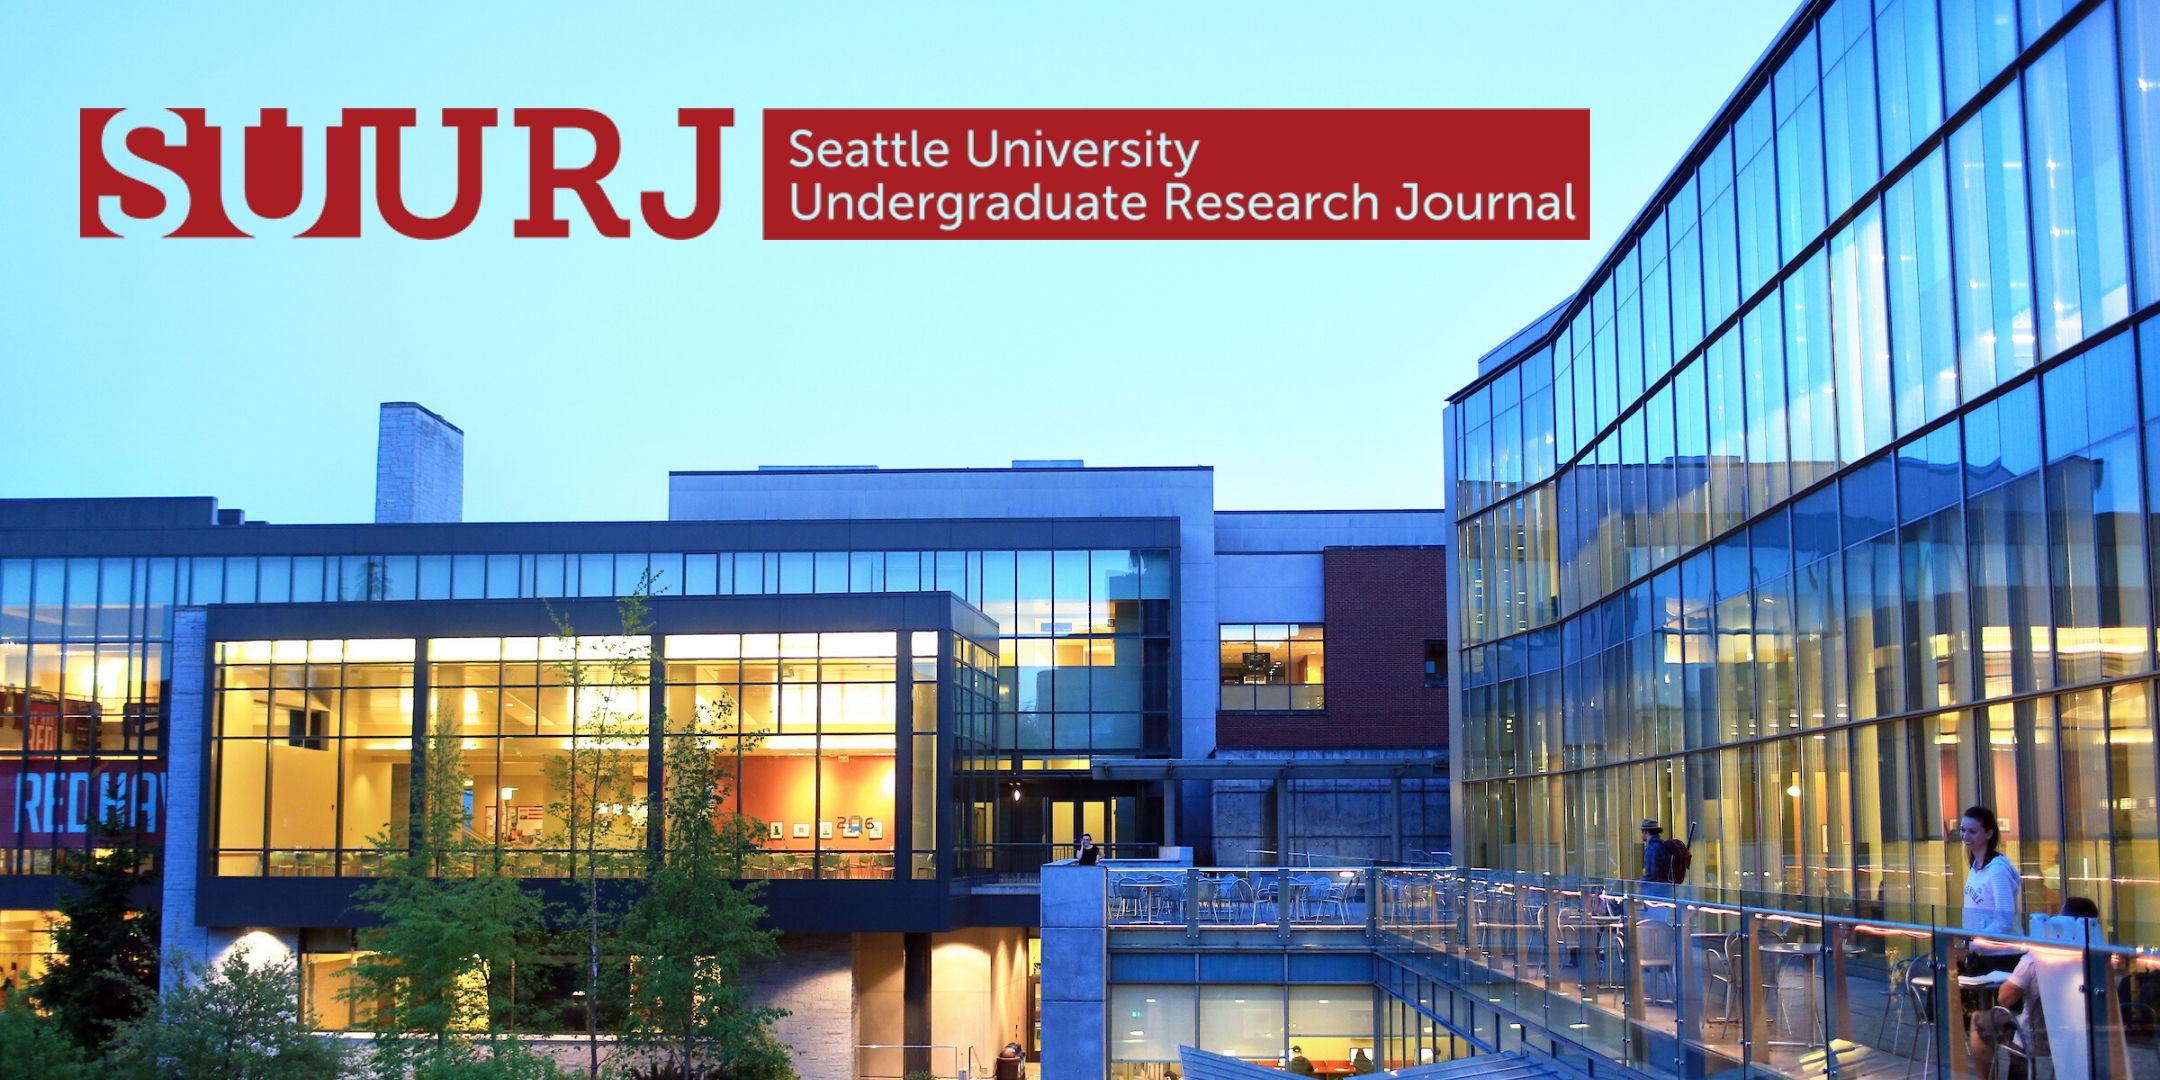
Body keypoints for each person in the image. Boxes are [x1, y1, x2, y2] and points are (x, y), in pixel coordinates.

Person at [1967, 896, 2099, 1079]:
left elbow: (2005, 999)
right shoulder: (2098, 960)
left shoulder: (2035, 959)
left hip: (2035, 1035)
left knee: (1980, 1021)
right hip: (2077, 1039)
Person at [1960, 805, 2023, 976]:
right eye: (1963, 830)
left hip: (2003, 955)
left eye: (1973, 832)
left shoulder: (1997, 870)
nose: (1966, 836)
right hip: (1983, 952)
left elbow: (2005, 919)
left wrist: (1974, 940)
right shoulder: (1975, 867)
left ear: (1988, 833)